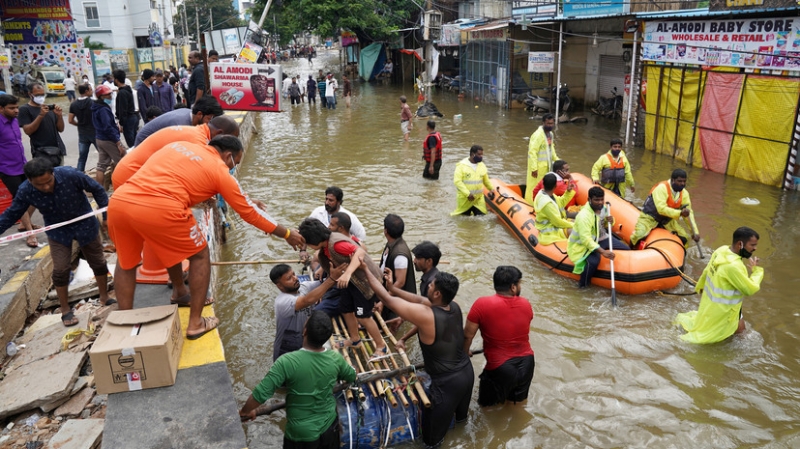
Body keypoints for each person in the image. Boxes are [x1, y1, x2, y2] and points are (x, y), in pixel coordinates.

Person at [108, 136, 304, 339]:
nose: (233, 167)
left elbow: (171, 179)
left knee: (126, 262)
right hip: (162, 207)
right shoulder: (220, 170)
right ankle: (196, 323)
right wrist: (287, 234)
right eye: (235, 163)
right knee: (199, 255)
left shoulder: (180, 145)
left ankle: (130, 318)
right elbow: (249, 213)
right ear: (228, 156)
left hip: (120, 202)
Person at [362, 260, 472, 448]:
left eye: (431, 285)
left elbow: (387, 300)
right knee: (461, 423)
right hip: (466, 373)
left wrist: (365, 269)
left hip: (447, 384)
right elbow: (419, 301)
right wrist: (394, 289)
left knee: (432, 441)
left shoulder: (426, 315)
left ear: (437, 293)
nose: (428, 286)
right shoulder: (453, 306)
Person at [0, 158, 114, 326]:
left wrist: (106, 216)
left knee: (97, 262)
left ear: (53, 173)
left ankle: (104, 296)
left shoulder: (70, 175)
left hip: (85, 224)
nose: (46, 187)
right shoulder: (26, 191)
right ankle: (65, 310)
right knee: (61, 270)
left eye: (49, 181)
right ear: (30, 181)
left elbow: (97, 189)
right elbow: (12, 214)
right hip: (58, 231)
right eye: (40, 185)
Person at [239, 310, 356, 448]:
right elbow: (351, 376)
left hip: (301, 435)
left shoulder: (286, 362)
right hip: (330, 428)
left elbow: (261, 393)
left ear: (304, 331)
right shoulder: (335, 359)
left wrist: (245, 411)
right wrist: (354, 369)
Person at [298, 218, 387, 358]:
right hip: (350, 282)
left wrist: (348, 273)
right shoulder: (326, 245)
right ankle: (355, 339)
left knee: (363, 317)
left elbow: (360, 252)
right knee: (346, 309)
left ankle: (381, 346)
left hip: (364, 282)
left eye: (307, 243)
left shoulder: (336, 244)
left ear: (313, 241)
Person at [674, 227, 764, 344]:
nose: (755, 248)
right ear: (740, 244)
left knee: (741, 331)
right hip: (725, 310)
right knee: (729, 336)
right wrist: (757, 271)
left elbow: (707, 270)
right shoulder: (733, 266)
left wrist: (700, 286)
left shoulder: (722, 250)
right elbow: (750, 289)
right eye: (752, 245)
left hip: (724, 306)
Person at [463, 266, 535, 407]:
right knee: (516, 407)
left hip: (500, 366)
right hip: (527, 363)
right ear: (513, 287)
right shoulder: (526, 304)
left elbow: (467, 336)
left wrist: (465, 352)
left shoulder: (481, 304)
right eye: (520, 283)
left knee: (487, 408)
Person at [113, 115, 239, 190]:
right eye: (231, 139)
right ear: (220, 133)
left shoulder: (195, 132)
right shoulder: (198, 141)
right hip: (131, 177)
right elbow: (201, 177)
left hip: (129, 173)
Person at [269, 263, 348, 361]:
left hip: (305, 338)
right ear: (280, 286)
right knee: (285, 367)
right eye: (289, 278)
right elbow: (307, 301)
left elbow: (325, 284)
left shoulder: (303, 287)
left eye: (294, 274)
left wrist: (330, 272)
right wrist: (332, 278)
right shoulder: (282, 301)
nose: (295, 278)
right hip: (287, 345)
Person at [567, 186, 631, 288]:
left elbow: (604, 225)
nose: (600, 202)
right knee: (593, 262)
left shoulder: (603, 208)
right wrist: (603, 252)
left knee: (627, 249)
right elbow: (586, 239)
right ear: (589, 199)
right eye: (596, 200)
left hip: (602, 238)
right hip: (583, 245)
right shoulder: (584, 216)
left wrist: (611, 221)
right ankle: (582, 286)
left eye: (601, 199)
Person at [0, 94, 38, 248]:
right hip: (7, 169)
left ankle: (24, 223)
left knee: (35, 193)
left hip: (22, 165)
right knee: (20, 199)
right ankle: (30, 233)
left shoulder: (15, 121)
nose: (16, 110)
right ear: (1, 108)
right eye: (11, 108)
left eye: (17, 107)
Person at [631, 169, 699, 247]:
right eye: (679, 181)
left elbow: (689, 215)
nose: (682, 184)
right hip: (649, 217)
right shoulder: (662, 188)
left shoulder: (684, 193)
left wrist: (694, 232)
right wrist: (680, 213)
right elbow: (661, 209)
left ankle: (680, 253)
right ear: (673, 180)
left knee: (684, 238)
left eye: (684, 181)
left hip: (667, 221)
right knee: (639, 235)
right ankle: (630, 248)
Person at [395, 240, 442, 352]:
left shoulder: (431, 285)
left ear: (429, 261)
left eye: (418, 258)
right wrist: (403, 317)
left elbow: (425, 319)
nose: (414, 261)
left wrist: (403, 338)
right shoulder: (431, 279)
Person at [133, 95, 223, 146]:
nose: (210, 124)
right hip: (144, 145)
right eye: (209, 119)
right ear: (200, 114)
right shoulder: (180, 124)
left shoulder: (189, 115)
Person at [377, 214, 416, 325]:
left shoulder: (400, 255)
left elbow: (400, 282)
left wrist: (383, 301)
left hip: (397, 302)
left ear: (385, 231)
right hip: (388, 295)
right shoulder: (392, 244)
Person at [17, 83, 66, 166]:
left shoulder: (48, 108)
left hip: (57, 150)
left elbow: (60, 129)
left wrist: (59, 116)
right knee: (44, 173)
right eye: (37, 95)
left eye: (43, 94)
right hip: (41, 153)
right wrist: (41, 115)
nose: (41, 97)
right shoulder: (25, 109)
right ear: (30, 94)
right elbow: (28, 131)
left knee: (59, 173)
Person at [91, 84, 127, 188]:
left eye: (110, 94)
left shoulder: (96, 107)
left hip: (100, 138)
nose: (110, 96)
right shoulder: (103, 109)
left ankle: (99, 190)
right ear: (101, 96)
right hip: (108, 139)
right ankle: (122, 186)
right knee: (122, 161)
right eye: (107, 95)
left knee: (101, 166)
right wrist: (118, 143)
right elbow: (107, 127)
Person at [452, 145, 494, 216]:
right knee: (463, 219)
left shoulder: (482, 165)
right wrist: (468, 194)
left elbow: (486, 180)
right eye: (479, 154)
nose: (481, 156)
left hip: (478, 199)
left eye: (482, 155)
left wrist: (491, 189)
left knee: (482, 218)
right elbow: (457, 182)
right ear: (472, 154)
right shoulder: (461, 166)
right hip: (465, 199)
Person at [534, 173, 575, 245]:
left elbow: (561, 203)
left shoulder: (547, 195)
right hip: (550, 232)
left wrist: (568, 192)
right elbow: (558, 222)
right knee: (575, 229)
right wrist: (574, 225)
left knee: (575, 221)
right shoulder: (547, 204)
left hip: (555, 225)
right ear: (555, 186)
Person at [526, 114, 558, 204]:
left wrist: (557, 161)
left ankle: (542, 203)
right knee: (533, 187)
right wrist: (534, 168)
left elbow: (551, 149)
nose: (550, 125)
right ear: (543, 123)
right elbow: (532, 152)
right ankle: (530, 203)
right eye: (548, 123)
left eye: (552, 123)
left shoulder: (550, 134)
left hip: (546, 167)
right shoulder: (538, 135)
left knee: (544, 187)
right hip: (537, 168)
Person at [68, 85, 97, 173]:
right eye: (91, 90)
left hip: (82, 134)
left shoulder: (73, 104)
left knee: (82, 158)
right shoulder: (93, 103)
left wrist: (79, 124)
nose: (92, 91)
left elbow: (70, 120)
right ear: (86, 91)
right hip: (95, 132)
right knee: (104, 155)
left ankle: (79, 175)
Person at [113, 70, 139, 147]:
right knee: (135, 141)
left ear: (116, 80)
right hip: (133, 117)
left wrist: (121, 124)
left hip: (128, 119)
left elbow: (123, 109)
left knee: (131, 144)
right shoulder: (128, 89)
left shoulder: (122, 93)